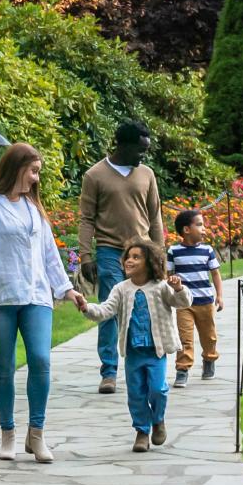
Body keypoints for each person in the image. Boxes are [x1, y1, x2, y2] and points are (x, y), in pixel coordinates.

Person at [0, 141, 69, 464]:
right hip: (1, 297)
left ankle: (36, 434)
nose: (37, 179)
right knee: (4, 366)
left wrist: (67, 289)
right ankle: (7, 432)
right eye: (33, 171)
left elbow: (50, 255)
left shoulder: (33, 209)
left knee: (40, 359)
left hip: (36, 295)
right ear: (16, 167)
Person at [75, 118, 166, 398]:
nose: (144, 155)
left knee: (146, 308)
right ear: (123, 145)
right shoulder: (95, 175)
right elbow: (87, 218)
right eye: (140, 149)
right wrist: (86, 255)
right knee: (110, 309)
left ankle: (147, 364)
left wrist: (159, 254)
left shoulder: (147, 174)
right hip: (110, 252)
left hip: (143, 252)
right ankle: (109, 372)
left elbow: (155, 216)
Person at [98, 237, 190, 453]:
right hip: (133, 353)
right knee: (136, 394)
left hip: (155, 352)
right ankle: (141, 431)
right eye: (128, 257)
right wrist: (86, 308)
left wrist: (178, 289)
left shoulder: (160, 287)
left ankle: (158, 419)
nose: (129, 261)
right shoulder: (121, 289)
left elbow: (183, 302)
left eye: (136, 257)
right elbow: (106, 310)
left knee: (158, 389)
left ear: (150, 263)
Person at [162, 205, 221, 383]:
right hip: (184, 304)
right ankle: (182, 370)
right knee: (184, 337)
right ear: (187, 230)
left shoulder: (207, 250)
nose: (204, 229)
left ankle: (209, 359)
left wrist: (220, 296)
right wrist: (172, 286)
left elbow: (215, 274)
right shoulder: (174, 251)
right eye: (200, 225)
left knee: (208, 335)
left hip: (205, 302)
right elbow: (169, 275)